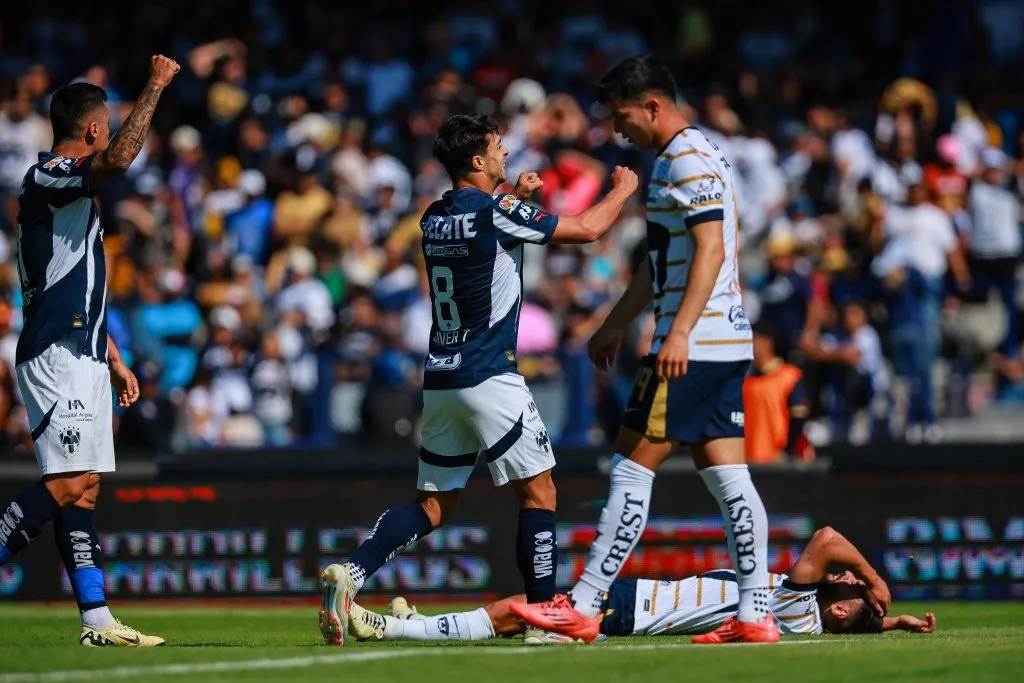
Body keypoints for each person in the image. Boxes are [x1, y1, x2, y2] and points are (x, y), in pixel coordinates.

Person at [319, 113, 639, 645]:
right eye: (497, 147)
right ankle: (544, 618)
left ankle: (349, 575)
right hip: (491, 373)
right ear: (476, 160)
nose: (505, 152)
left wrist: (513, 195)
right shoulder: (495, 212)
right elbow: (588, 229)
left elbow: (486, 234)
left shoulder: (431, 216)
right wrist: (623, 188)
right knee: (540, 494)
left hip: (442, 377)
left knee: (433, 505)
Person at [513, 55, 799, 645]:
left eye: (623, 116)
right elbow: (659, 262)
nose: (618, 130)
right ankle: (754, 615)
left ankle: (585, 605)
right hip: (723, 340)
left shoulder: (687, 160)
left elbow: (710, 251)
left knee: (629, 465)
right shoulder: (690, 154)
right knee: (730, 478)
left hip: (696, 343)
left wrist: (679, 332)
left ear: (653, 106)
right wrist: (615, 324)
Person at [0, 55, 180, 647]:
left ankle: (97, 620)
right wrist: (154, 86)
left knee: (87, 487)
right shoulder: (48, 174)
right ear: (95, 127)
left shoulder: (71, 194)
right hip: (56, 351)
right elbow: (122, 158)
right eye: (107, 123)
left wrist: (114, 355)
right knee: (71, 480)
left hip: (83, 349)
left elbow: (80, 282)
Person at [345, 526, 916, 644]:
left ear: (838, 612)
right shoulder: (809, 617)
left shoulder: (795, 604)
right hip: (640, 602)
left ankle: (390, 627)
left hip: (639, 609)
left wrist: (874, 578)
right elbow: (847, 610)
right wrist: (888, 620)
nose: (844, 579)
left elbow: (827, 539)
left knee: (524, 611)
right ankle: (414, 621)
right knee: (528, 611)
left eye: (846, 588)